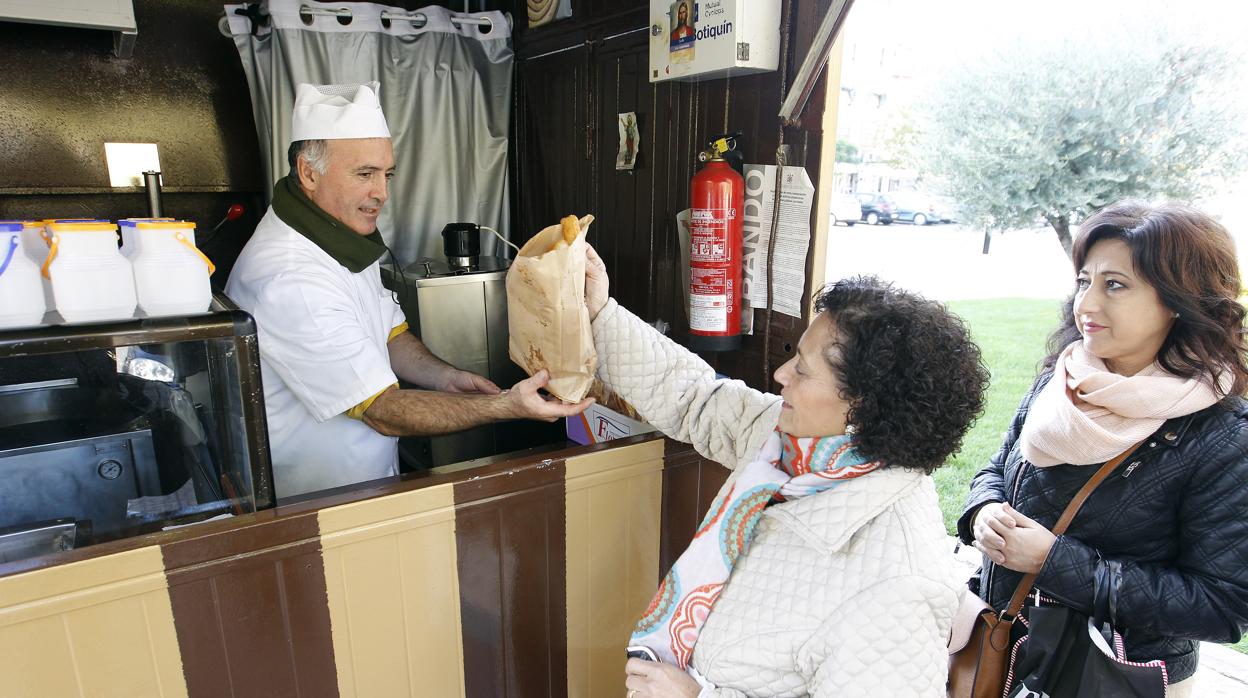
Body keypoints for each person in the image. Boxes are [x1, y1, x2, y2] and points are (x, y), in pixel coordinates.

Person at [582, 248, 991, 696]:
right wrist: (601, 311)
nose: (780, 374)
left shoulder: (897, 583)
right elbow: (696, 397)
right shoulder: (790, 440)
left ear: (860, 407)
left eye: (802, 369)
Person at [226, 82, 590, 499]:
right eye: (364, 174)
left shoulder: (335, 234)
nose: (381, 193)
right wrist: (505, 406)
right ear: (310, 172)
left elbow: (388, 332)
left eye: (386, 174)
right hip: (318, 500)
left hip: (368, 482)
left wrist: (446, 378)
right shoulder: (289, 277)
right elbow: (382, 411)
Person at [960, 201, 1248, 697]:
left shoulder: (1222, 434)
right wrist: (983, 510)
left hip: (1113, 677)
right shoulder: (1065, 378)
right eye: (1083, 281)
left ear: (1179, 300)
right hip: (1007, 650)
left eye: (1115, 285)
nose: (1086, 305)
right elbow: (999, 467)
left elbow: (1220, 605)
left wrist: (1053, 562)